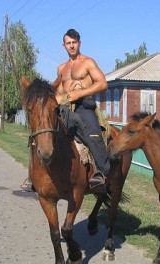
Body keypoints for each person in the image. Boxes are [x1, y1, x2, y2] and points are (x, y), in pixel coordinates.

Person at [21, 28, 110, 192]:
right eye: (68, 43)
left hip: (84, 105)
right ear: (64, 46)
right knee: (43, 130)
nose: (72, 46)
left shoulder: (88, 62)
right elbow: (60, 93)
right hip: (65, 107)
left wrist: (80, 92)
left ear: (79, 43)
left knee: (91, 131)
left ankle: (101, 173)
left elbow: (103, 83)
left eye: (74, 42)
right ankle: (35, 174)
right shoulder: (61, 68)